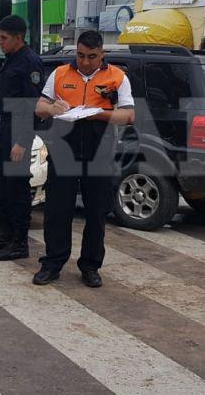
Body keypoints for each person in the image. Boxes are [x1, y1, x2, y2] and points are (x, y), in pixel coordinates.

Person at [33, 31, 135, 287]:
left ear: (102, 55)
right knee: (57, 209)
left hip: (99, 149)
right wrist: (52, 109)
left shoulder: (118, 77)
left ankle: (90, 266)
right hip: (64, 148)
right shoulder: (59, 74)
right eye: (80, 55)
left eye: (92, 56)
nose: (86, 62)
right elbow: (39, 106)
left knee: (96, 210)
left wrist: (98, 114)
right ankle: (52, 263)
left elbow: (128, 116)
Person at [0, 15, 44, 261]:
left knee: (17, 188)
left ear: (19, 38)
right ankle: (6, 234)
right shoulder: (10, 59)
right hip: (4, 126)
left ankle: (19, 243)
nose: (0, 42)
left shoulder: (30, 63)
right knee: (1, 184)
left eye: (4, 38)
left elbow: (33, 105)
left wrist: (23, 141)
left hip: (19, 130)